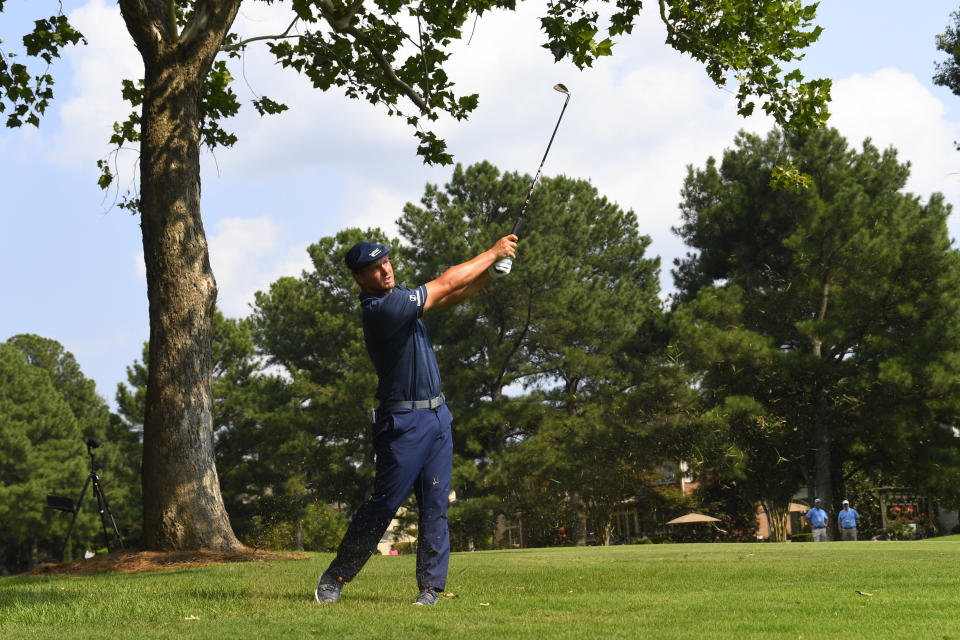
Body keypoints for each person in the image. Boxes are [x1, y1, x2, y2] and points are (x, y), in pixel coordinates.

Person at [314, 234, 518, 606]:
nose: (386, 270)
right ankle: (335, 577)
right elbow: (444, 283)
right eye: (376, 268)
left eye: (387, 262)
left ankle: (430, 588)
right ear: (361, 279)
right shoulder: (382, 309)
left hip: (438, 416)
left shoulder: (399, 299)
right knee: (383, 506)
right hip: (403, 422)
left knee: (435, 505)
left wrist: (490, 275)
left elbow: (447, 296)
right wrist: (493, 252)